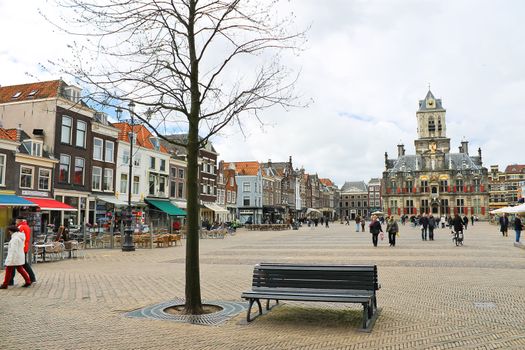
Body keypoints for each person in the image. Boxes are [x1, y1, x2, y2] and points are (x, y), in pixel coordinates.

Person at [9, 217, 36, 285]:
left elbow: (17, 237)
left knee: (15, 264)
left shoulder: (20, 227)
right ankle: (31, 278)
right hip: (25, 247)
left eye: (16, 220)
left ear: (19, 220)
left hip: (20, 248)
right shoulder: (26, 226)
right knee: (22, 264)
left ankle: (11, 281)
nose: (15, 222)